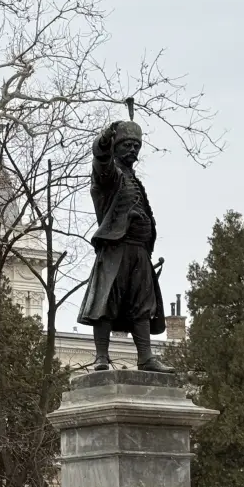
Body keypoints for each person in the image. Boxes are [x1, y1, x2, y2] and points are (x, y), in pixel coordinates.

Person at [77, 119, 170, 372]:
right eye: (127, 144)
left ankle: (146, 358)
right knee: (106, 301)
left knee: (142, 305)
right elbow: (101, 159)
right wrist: (106, 136)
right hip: (115, 248)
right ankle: (101, 358)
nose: (132, 150)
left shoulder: (134, 179)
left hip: (140, 250)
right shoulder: (109, 177)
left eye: (136, 146)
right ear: (116, 147)